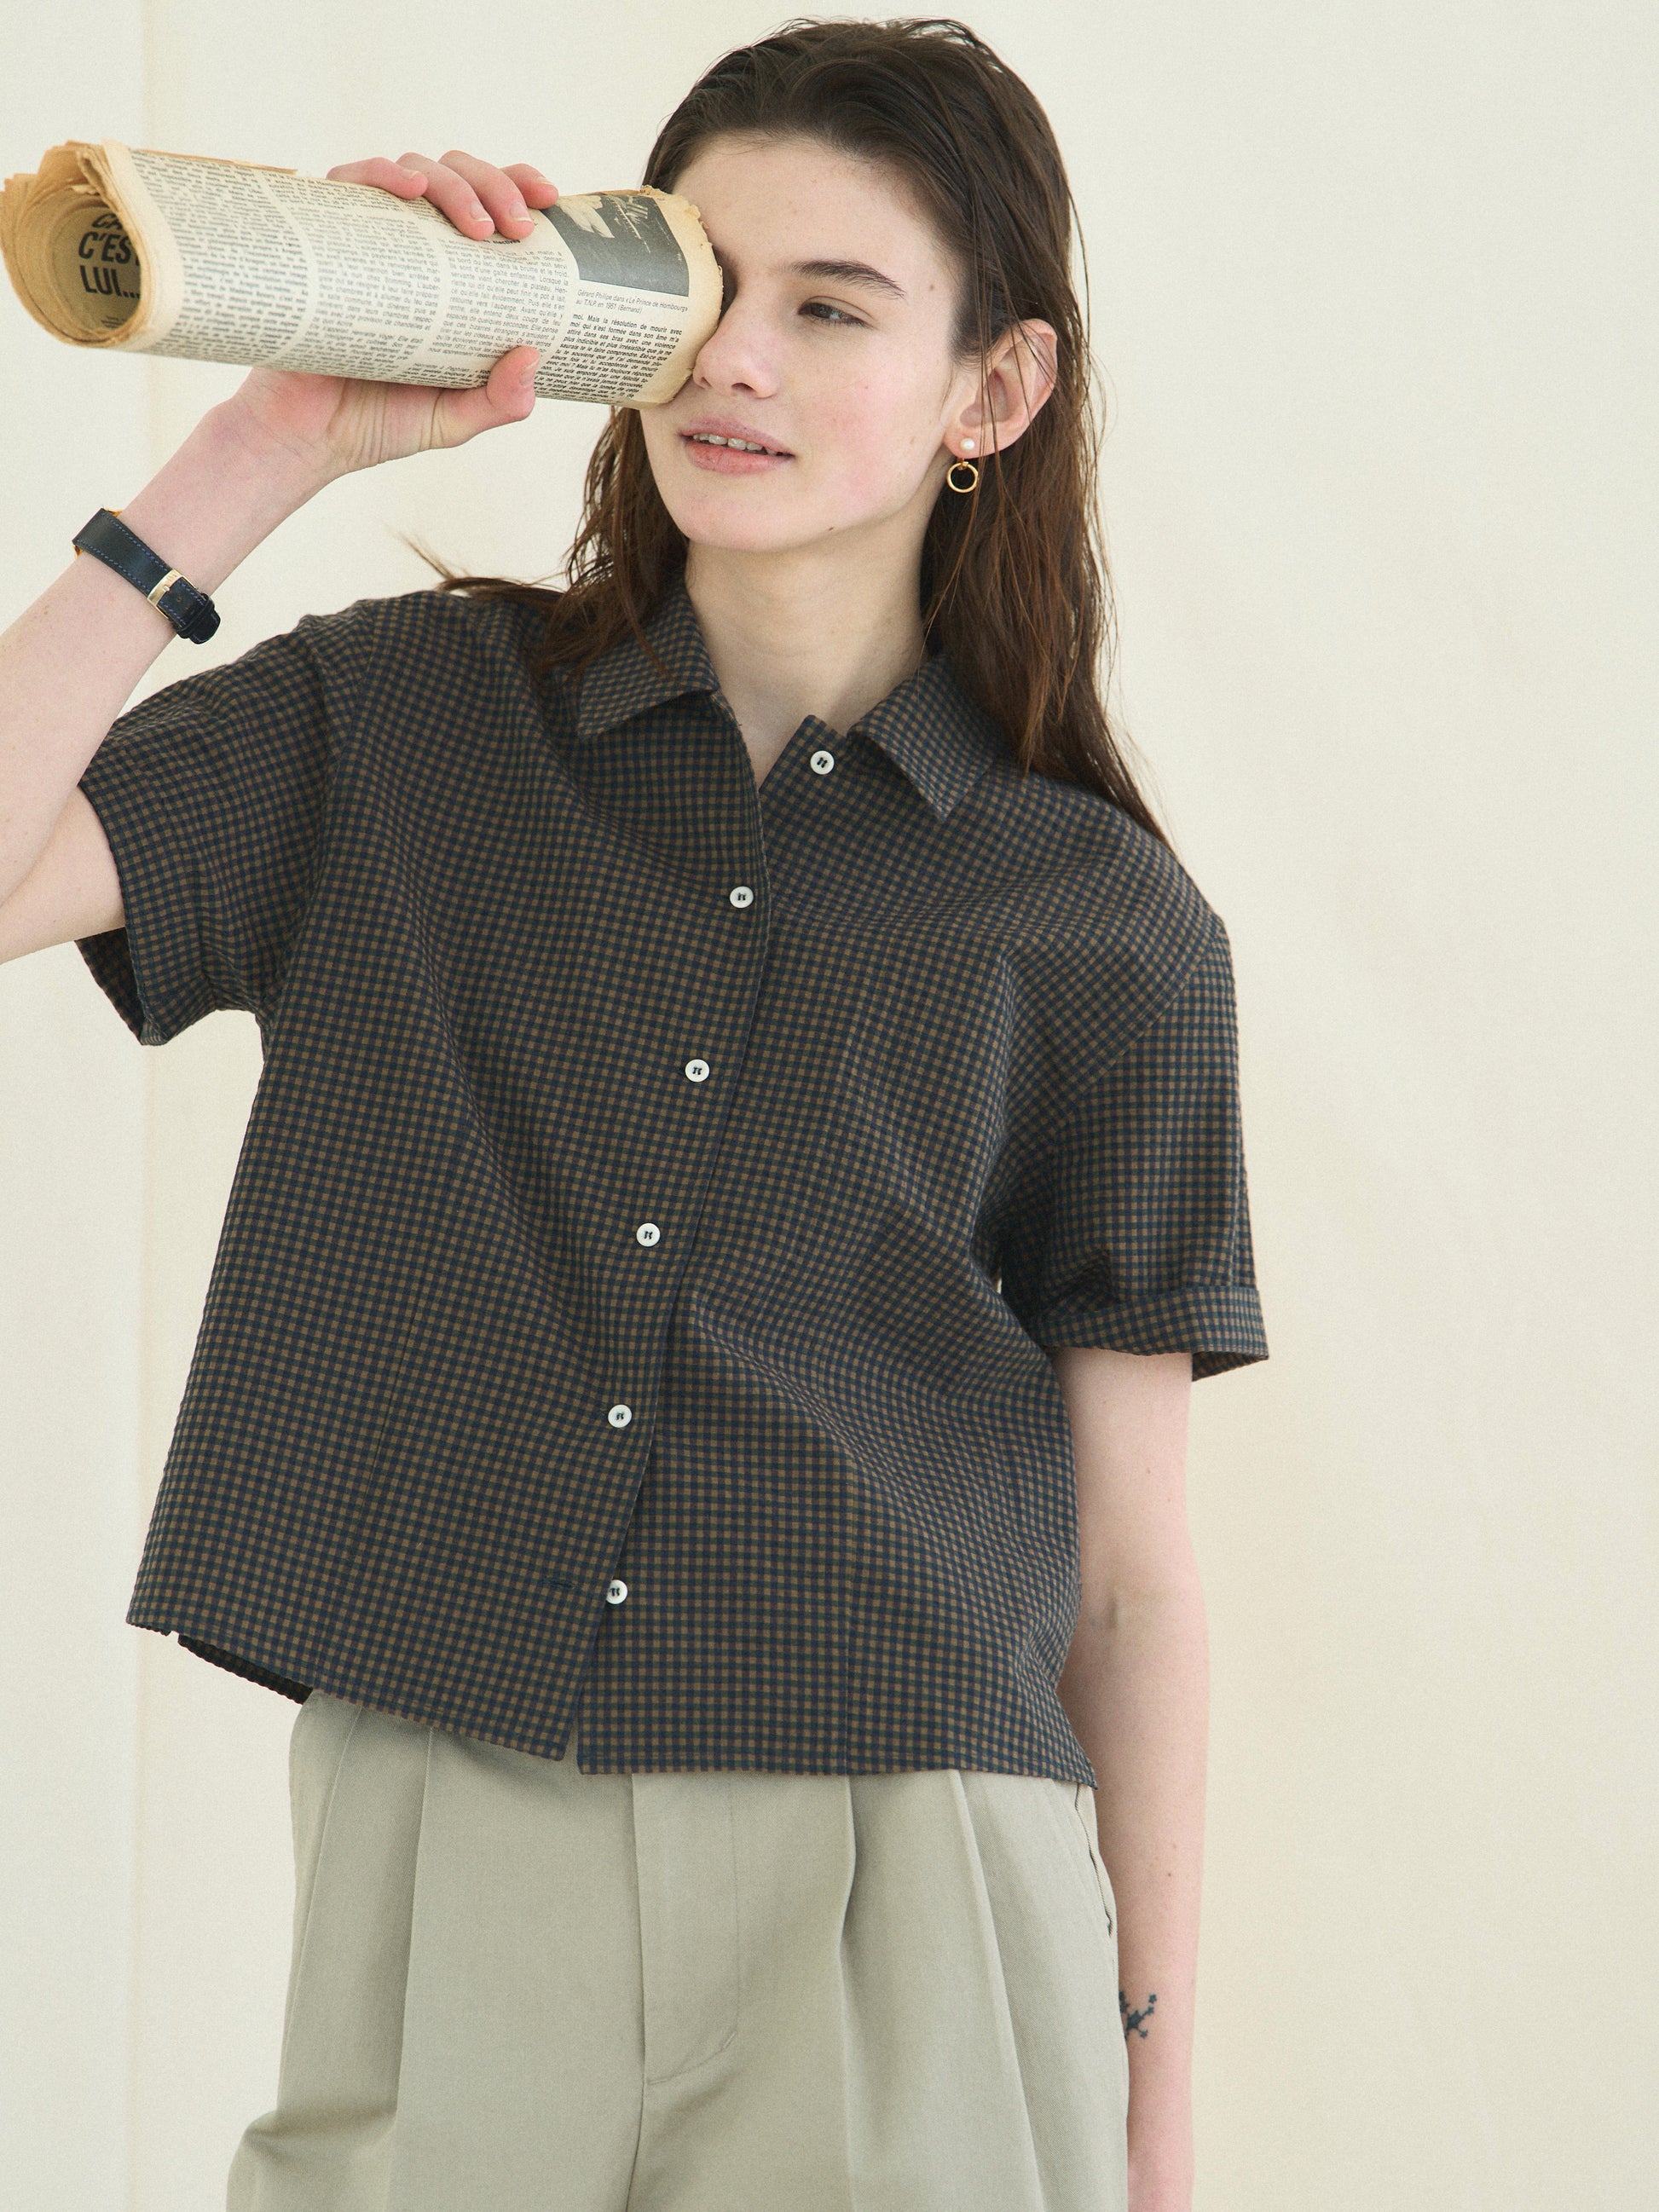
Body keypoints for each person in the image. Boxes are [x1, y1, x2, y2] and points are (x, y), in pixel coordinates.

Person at [0, 19, 1266, 2211]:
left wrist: (1150, 2114)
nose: (732, 361)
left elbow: (1133, 1584)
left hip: (901, 1853)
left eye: (831, 308)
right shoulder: (400, 721)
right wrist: (259, 448)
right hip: (453, 1800)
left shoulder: (1100, 920)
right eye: (699, 285)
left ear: (994, 391)